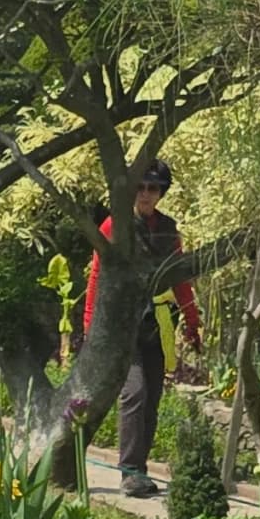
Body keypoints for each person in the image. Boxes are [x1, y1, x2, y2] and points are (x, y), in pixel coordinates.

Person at [83, 159, 202, 499]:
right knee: (133, 392)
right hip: (119, 322)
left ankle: (140, 469)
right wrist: (91, 326)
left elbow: (180, 278)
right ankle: (129, 471)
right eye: (141, 187)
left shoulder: (167, 228)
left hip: (149, 321)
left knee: (151, 394)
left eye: (153, 188)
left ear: (161, 192)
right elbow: (96, 275)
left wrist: (192, 323)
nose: (146, 194)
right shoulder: (113, 226)